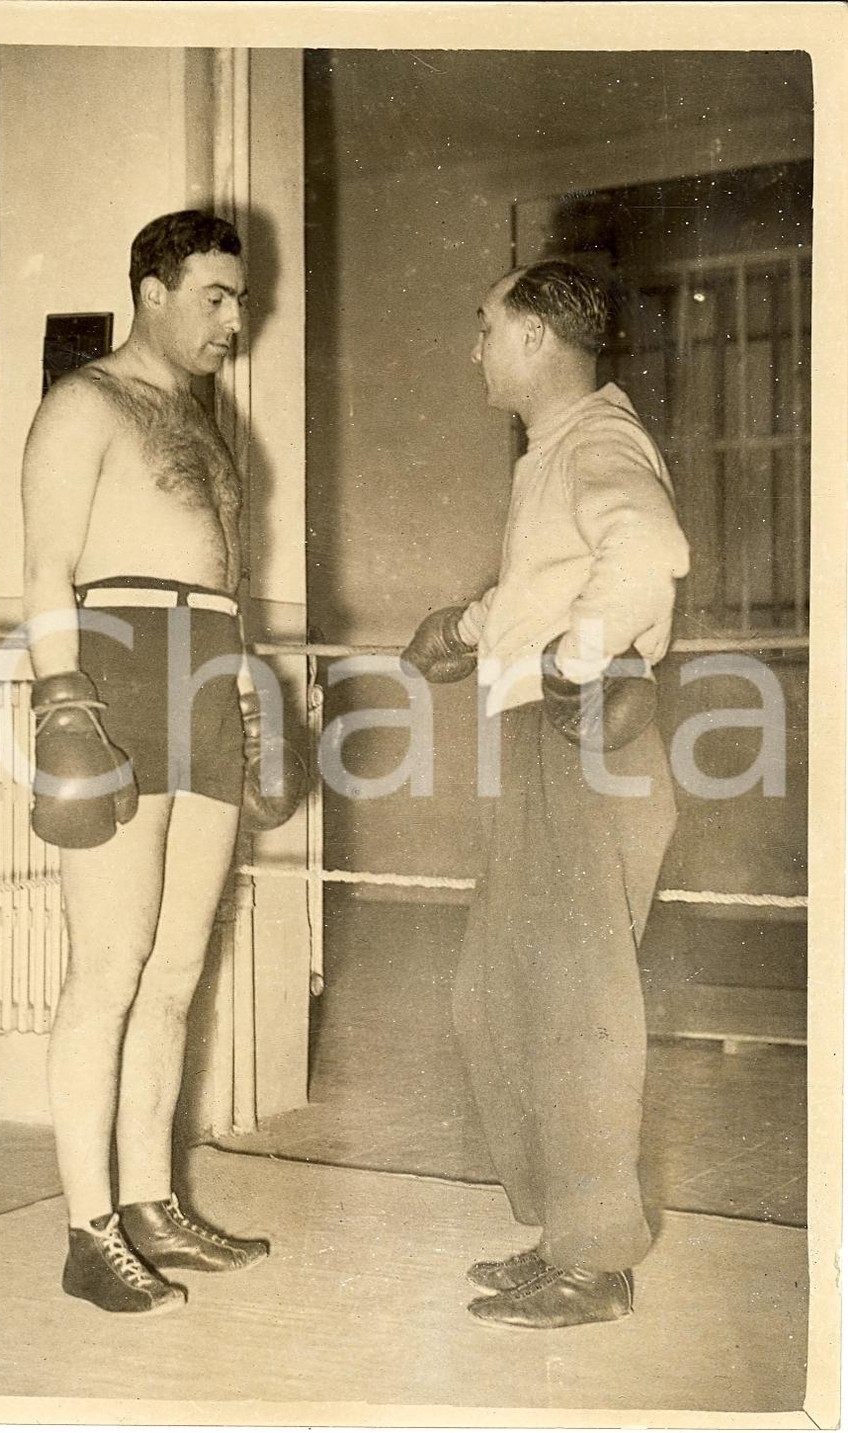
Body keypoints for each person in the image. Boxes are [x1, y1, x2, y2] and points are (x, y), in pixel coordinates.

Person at [403, 259, 690, 1329]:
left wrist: (573, 659)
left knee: (573, 1009)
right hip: (539, 741)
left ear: (533, 340)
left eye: (485, 328)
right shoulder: (556, 455)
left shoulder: (598, 441)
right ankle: (564, 1233)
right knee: (495, 996)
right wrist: (472, 625)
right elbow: (561, 572)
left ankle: (596, 1259)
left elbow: (647, 548)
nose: (473, 348)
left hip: (582, 743)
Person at [21, 211, 299, 1316]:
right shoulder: (82, 403)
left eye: (241, 299)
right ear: (153, 288)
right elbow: (45, 564)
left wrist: (250, 672)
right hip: (118, 661)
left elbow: (221, 575)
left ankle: (148, 1199)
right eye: (217, 297)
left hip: (209, 670)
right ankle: (88, 1228)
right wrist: (62, 698)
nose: (238, 318)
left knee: (179, 966)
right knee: (111, 964)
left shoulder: (202, 421)